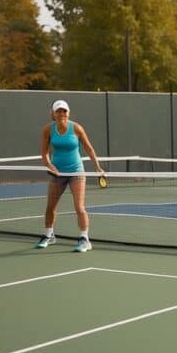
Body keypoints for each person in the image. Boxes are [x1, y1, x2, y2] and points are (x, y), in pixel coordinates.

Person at [36, 100, 104, 252]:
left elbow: (89, 148)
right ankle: (49, 235)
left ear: (68, 113)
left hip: (76, 172)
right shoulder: (47, 130)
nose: (62, 114)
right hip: (57, 173)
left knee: (79, 207)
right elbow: (44, 153)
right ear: (53, 114)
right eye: (58, 111)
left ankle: (84, 239)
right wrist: (50, 165)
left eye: (64, 111)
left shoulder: (77, 128)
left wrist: (98, 166)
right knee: (50, 207)